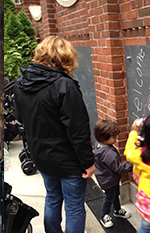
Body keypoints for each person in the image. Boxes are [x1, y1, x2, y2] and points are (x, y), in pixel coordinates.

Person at [14, 36, 95, 233]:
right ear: (65, 57)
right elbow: (78, 130)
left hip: (41, 156)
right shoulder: (64, 85)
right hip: (68, 160)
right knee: (74, 205)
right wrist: (88, 162)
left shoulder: (20, 84)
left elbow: (19, 118)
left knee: (52, 196)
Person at [93, 119, 133, 228]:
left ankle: (117, 210)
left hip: (105, 178)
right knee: (109, 197)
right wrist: (132, 166)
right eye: (114, 137)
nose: (116, 140)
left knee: (115, 195)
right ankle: (104, 215)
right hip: (109, 180)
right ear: (104, 138)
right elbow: (118, 167)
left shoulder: (97, 145)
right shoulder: (109, 154)